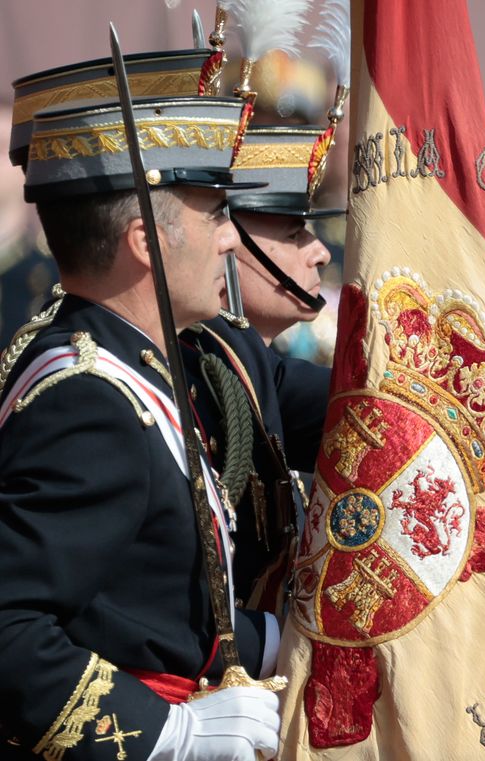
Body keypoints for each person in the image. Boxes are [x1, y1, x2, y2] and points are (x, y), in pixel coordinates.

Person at [0, 95, 283, 761]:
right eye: (214, 215)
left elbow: (135, 605)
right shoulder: (91, 401)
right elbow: (9, 622)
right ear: (145, 243)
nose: (232, 238)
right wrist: (164, 734)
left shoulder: (144, 355)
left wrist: (269, 637)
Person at [179, 124, 338, 613]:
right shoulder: (195, 363)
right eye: (293, 234)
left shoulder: (247, 358)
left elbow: (358, 401)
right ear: (231, 243)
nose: (320, 251)